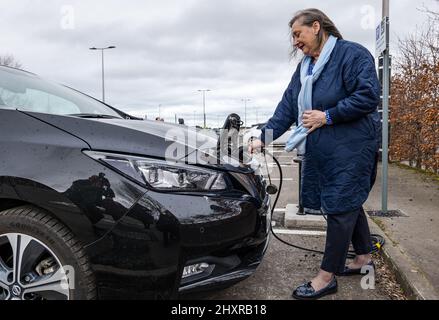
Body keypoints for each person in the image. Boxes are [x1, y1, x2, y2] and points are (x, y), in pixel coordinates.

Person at [249, 8, 381, 300]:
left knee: (338, 206)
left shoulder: (352, 54)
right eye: (293, 36)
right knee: (348, 203)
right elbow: (287, 107)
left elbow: (368, 95)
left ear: (317, 26)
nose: (295, 41)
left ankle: (326, 276)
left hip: (353, 147)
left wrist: (329, 116)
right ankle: (363, 258)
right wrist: (263, 137)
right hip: (324, 151)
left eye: (298, 33)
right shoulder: (305, 68)